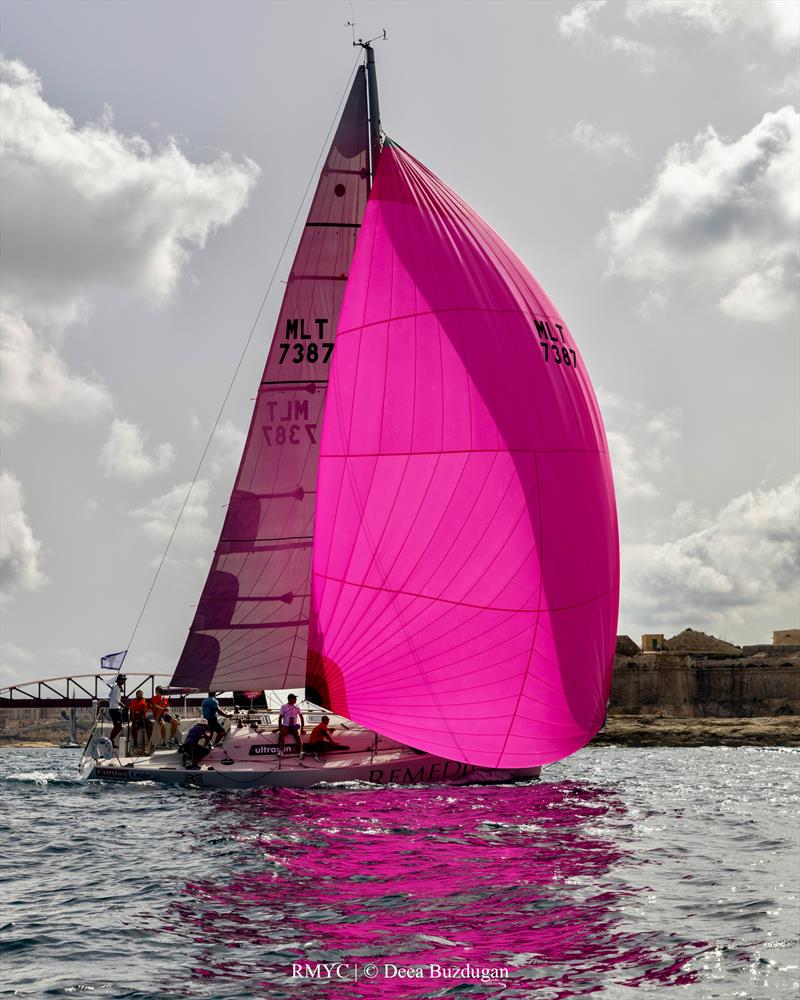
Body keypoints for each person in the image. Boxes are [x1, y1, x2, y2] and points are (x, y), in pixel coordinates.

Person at [279, 693, 305, 759]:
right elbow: (280, 717)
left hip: (294, 725)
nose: (296, 699)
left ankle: (301, 752)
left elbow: (301, 717)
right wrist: (279, 727)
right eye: (294, 698)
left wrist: (302, 728)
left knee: (298, 736)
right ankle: (281, 751)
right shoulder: (283, 706)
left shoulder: (297, 707)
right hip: (286, 725)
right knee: (281, 734)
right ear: (290, 699)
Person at [107, 675, 127, 749]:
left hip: (115, 709)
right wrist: (124, 706)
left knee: (117, 727)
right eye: (122, 680)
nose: (123, 681)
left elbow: (110, 696)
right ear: (118, 680)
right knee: (119, 727)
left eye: (124, 680)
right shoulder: (116, 688)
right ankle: (111, 740)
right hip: (115, 710)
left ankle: (111, 741)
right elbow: (117, 700)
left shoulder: (117, 688)